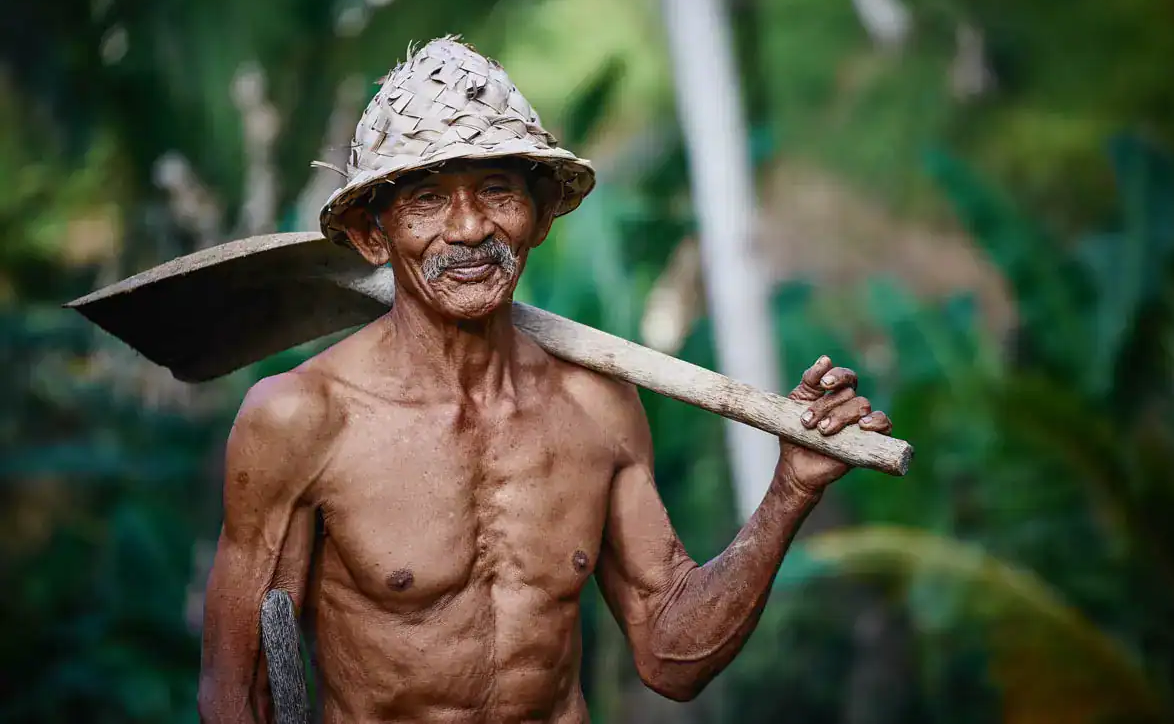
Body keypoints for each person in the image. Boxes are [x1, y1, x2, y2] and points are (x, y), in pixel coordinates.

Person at [198, 37, 893, 724]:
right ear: (375, 236)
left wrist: (790, 490)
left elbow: (672, 656)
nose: (469, 227)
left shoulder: (597, 406)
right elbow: (238, 693)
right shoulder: (304, 419)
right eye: (429, 198)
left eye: (497, 189)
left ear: (536, 216)